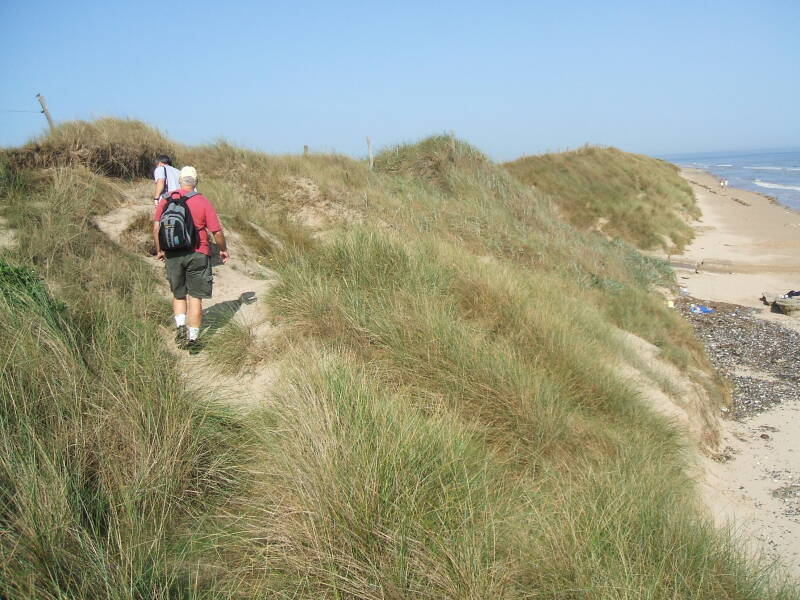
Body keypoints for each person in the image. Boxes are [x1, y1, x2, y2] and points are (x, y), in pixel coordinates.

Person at [153, 166, 229, 348]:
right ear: (196, 183)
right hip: (198, 252)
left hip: (172, 253)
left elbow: (156, 228)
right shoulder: (202, 201)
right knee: (195, 297)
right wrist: (223, 249)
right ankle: (193, 339)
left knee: (179, 295)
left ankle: (180, 327)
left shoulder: (166, 199)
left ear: (180, 181)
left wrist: (160, 250)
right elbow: (217, 232)